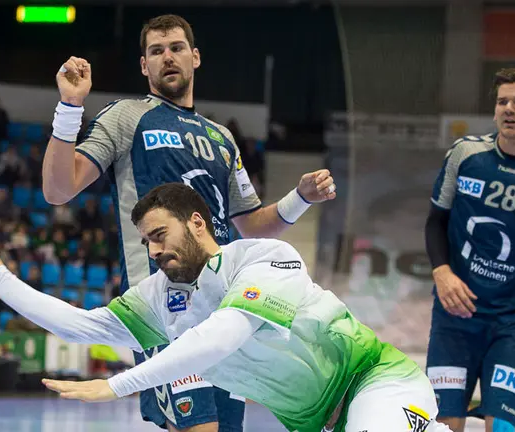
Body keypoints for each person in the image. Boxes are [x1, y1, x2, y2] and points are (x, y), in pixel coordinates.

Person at [41, 13, 336, 432]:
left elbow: (252, 226)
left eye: (176, 48)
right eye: (156, 51)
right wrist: (70, 107)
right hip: (163, 303)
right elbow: (58, 189)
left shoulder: (220, 137)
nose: (168, 58)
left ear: (195, 57)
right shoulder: (126, 117)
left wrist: (300, 198)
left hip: (222, 307)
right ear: (144, 66)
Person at [0, 183, 457, 432]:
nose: (153, 251)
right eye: (146, 242)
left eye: (160, 235)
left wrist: (116, 386)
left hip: (373, 378)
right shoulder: (159, 294)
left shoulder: (265, 257)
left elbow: (222, 335)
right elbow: (83, 326)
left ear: (197, 223)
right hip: (317, 421)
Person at [424, 67, 515, 432]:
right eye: (502, 101)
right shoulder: (466, 154)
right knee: (444, 425)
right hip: (455, 315)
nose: (509, 108)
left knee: (502, 427)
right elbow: (435, 221)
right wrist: (442, 271)